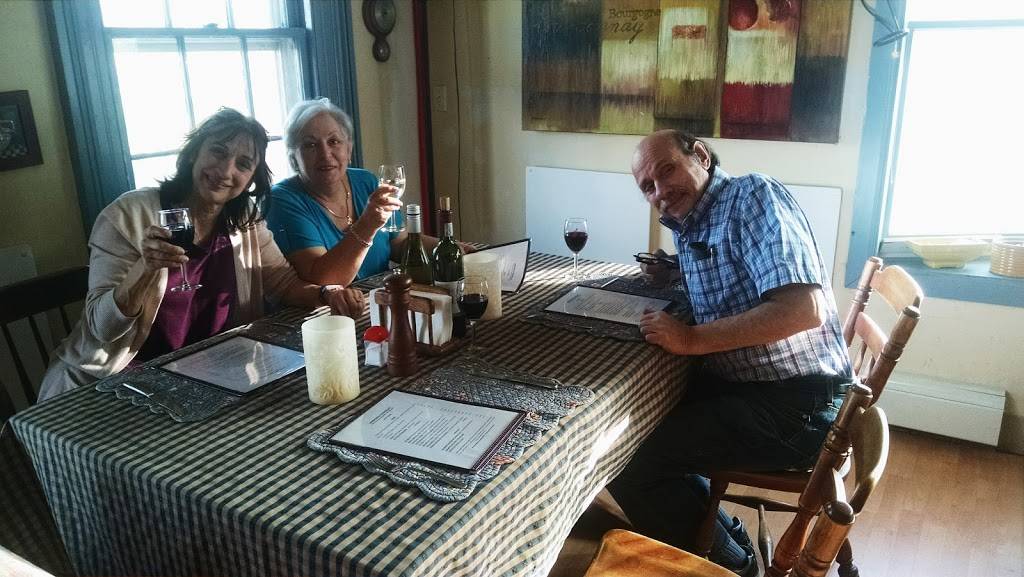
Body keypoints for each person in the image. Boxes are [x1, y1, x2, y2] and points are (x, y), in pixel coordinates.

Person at [607, 130, 853, 577]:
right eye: (647, 186)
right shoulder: (696, 218)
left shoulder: (751, 197)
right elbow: (736, 272)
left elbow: (803, 309)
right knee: (639, 414)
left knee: (625, 458)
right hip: (755, 387)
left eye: (667, 171)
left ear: (700, 155)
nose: (660, 191)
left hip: (798, 408)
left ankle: (731, 565)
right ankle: (726, 537)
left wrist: (691, 339)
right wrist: (675, 272)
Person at [38, 108, 365, 402]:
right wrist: (145, 268)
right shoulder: (126, 216)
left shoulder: (245, 219)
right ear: (194, 153)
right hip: (110, 387)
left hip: (207, 381)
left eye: (243, 164)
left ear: (251, 179)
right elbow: (102, 329)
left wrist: (326, 293)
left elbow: (282, 282)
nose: (225, 170)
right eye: (218, 152)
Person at [267, 99, 471, 286]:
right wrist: (368, 224)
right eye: (310, 145)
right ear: (293, 158)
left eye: (334, 141)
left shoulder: (366, 181)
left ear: (348, 149)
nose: (325, 154)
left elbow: (400, 244)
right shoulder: (281, 200)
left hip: (378, 299)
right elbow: (324, 280)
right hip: (325, 311)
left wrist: (451, 250)